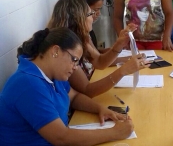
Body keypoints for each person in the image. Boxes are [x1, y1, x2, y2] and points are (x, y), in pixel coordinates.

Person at [0, 27, 134, 145]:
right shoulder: (28, 84)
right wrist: (114, 133)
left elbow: (74, 97)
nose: (75, 68)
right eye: (74, 60)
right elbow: (61, 138)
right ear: (55, 51)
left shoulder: (51, 73)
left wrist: (100, 108)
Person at [48, 0, 150, 97]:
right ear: (78, 19)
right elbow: (87, 90)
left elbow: (99, 62)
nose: (93, 17)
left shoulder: (83, 37)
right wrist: (123, 71)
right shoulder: (66, 49)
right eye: (90, 14)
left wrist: (120, 44)